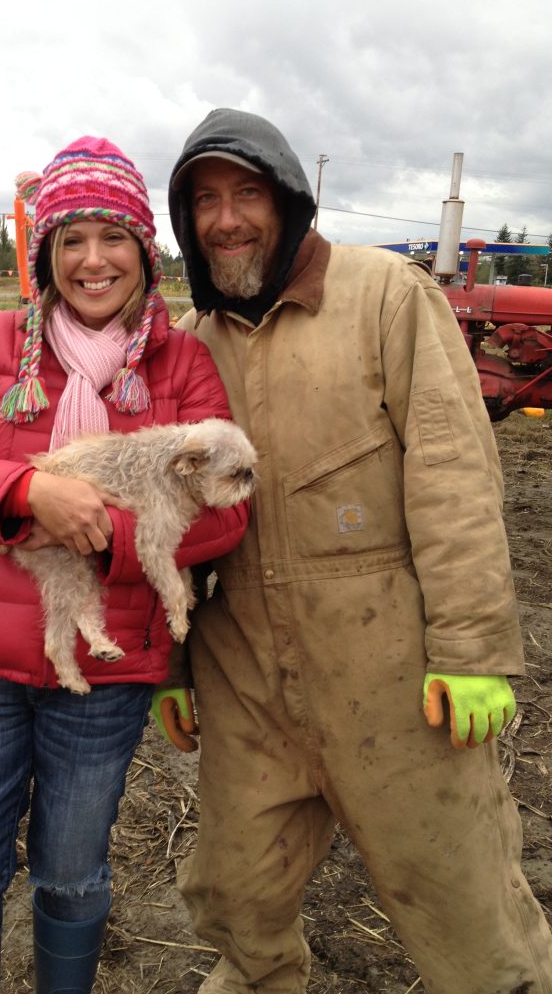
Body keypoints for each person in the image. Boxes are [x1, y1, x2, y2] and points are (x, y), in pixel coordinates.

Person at [160, 108, 552, 994]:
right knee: (236, 890)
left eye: (247, 194)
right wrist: (171, 664)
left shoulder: (386, 297)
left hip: (391, 669)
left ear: (290, 199)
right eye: (205, 201)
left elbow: (454, 475)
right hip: (245, 670)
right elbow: (172, 520)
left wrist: (473, 647)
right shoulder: (190, 343)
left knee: (460, 896)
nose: (226, 218)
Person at [0, 136, 250, 994]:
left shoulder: (183, 364)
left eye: (113, 238)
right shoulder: (1, 344)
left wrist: (102, 531)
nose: (92, 261)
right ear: (48, 255)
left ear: (144, 248)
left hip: (107, 680)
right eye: (71, 240)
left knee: (68, 875)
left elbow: (228, 515)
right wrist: (28, 495)